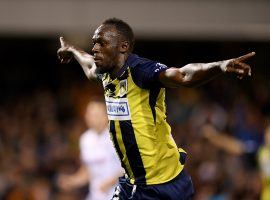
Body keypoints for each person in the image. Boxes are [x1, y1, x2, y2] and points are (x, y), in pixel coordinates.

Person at [57, 18, 255, 200]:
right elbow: (89, 65)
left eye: (102, 43)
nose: (95, 48)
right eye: (94, 43)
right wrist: (72, 50)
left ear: (123, 47)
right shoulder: (104, 73)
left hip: (164, 183)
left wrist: (219, 66)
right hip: (133, 182)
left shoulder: (141, 71)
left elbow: (183, 75)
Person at [57, 99, 123, 200]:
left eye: (96, 114)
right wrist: (71, 181)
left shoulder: (118, 137)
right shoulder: (85, 139)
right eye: (90, 114)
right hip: (96, 196)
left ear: (106, 116)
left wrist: (111, 182)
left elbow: (132, 169)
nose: (92, 118)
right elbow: (88, 171)